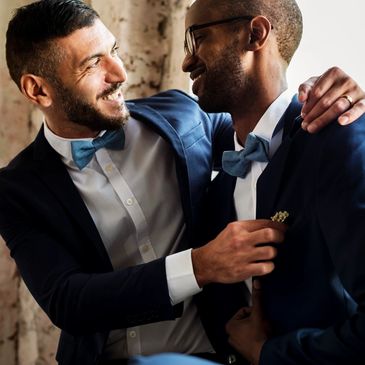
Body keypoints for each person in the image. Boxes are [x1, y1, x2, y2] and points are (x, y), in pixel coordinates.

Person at [0, 1, 364, 365]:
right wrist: (201, 265)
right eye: (92, 64)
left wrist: (327, 93)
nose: (120, 73)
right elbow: (68, 300)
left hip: (214, 353)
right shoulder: (17, 190)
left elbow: (264, 125)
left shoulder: (181, 116)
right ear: (38, 91)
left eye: (112, 51)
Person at [178, 0, 365, 364]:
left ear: (255, 34)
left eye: (198, 38)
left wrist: (270, 354)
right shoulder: (215, 189)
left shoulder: (339, 137)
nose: (187, 61)